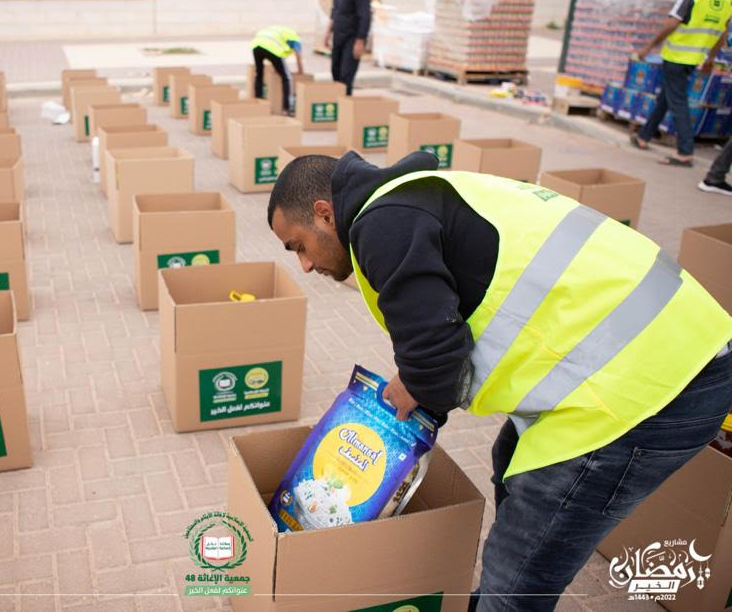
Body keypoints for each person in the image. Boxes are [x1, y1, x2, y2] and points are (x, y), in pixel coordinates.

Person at [267, 150, 732, 611]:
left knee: (517, 573)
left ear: (325, 214)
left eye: (298, 246)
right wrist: (419, 375)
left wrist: (417, 384)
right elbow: (443, 333)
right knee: (509, 455)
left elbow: (435, 362)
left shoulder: (380, 224)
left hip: (653, 388)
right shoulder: (415, 197)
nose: (305, 266)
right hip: (675, 347)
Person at [632, 0, 731, 167]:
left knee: (677, 102)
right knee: (667, 97)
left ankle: (685, 152)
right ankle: (644, 136)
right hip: (695, 58)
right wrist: (711, 58)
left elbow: (672, 23)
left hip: (676, 56)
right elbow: (723, 33)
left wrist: (650, 46)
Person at [324, 0, 371, 96]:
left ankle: (345, 106)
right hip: (339, 36)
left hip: (352, 38)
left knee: (346, 75)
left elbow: (365, 16)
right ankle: (337, 102)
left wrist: (360, 41)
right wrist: (328, 33)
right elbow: (335, 12)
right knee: (335, 71)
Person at [251, 25, 304, 115]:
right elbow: (298, 55)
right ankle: (286, 108)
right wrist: (300, 71)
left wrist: (277, 67)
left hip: (256, 44)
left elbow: (277, 59)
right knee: (287, 78)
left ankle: (257, 103)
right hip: (272, 48)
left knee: (259, 73)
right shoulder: (295, 38)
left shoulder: (280, 31)